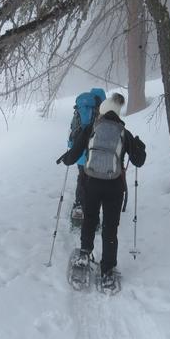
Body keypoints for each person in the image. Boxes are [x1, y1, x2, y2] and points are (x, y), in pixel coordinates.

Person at [57, 92, 146, 289]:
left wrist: (65, 158)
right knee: (110, 228)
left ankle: (85, 255)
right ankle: (107, 270)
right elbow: (139, 160)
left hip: (91, 184)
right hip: (114, 187)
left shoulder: (91, 128)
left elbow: (72, 158)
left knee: (90, 220)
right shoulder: (124, 132)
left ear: (102, 111)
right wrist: (139, 146)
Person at [67, 88, 106, 221]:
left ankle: (79, 206)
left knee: (82, 178)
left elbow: (72, 129)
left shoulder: (80, 110)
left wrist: (72, 149)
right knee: (95, 180)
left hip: (79, 154)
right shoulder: (101, 112)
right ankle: (92, 209)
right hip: (95, 154)